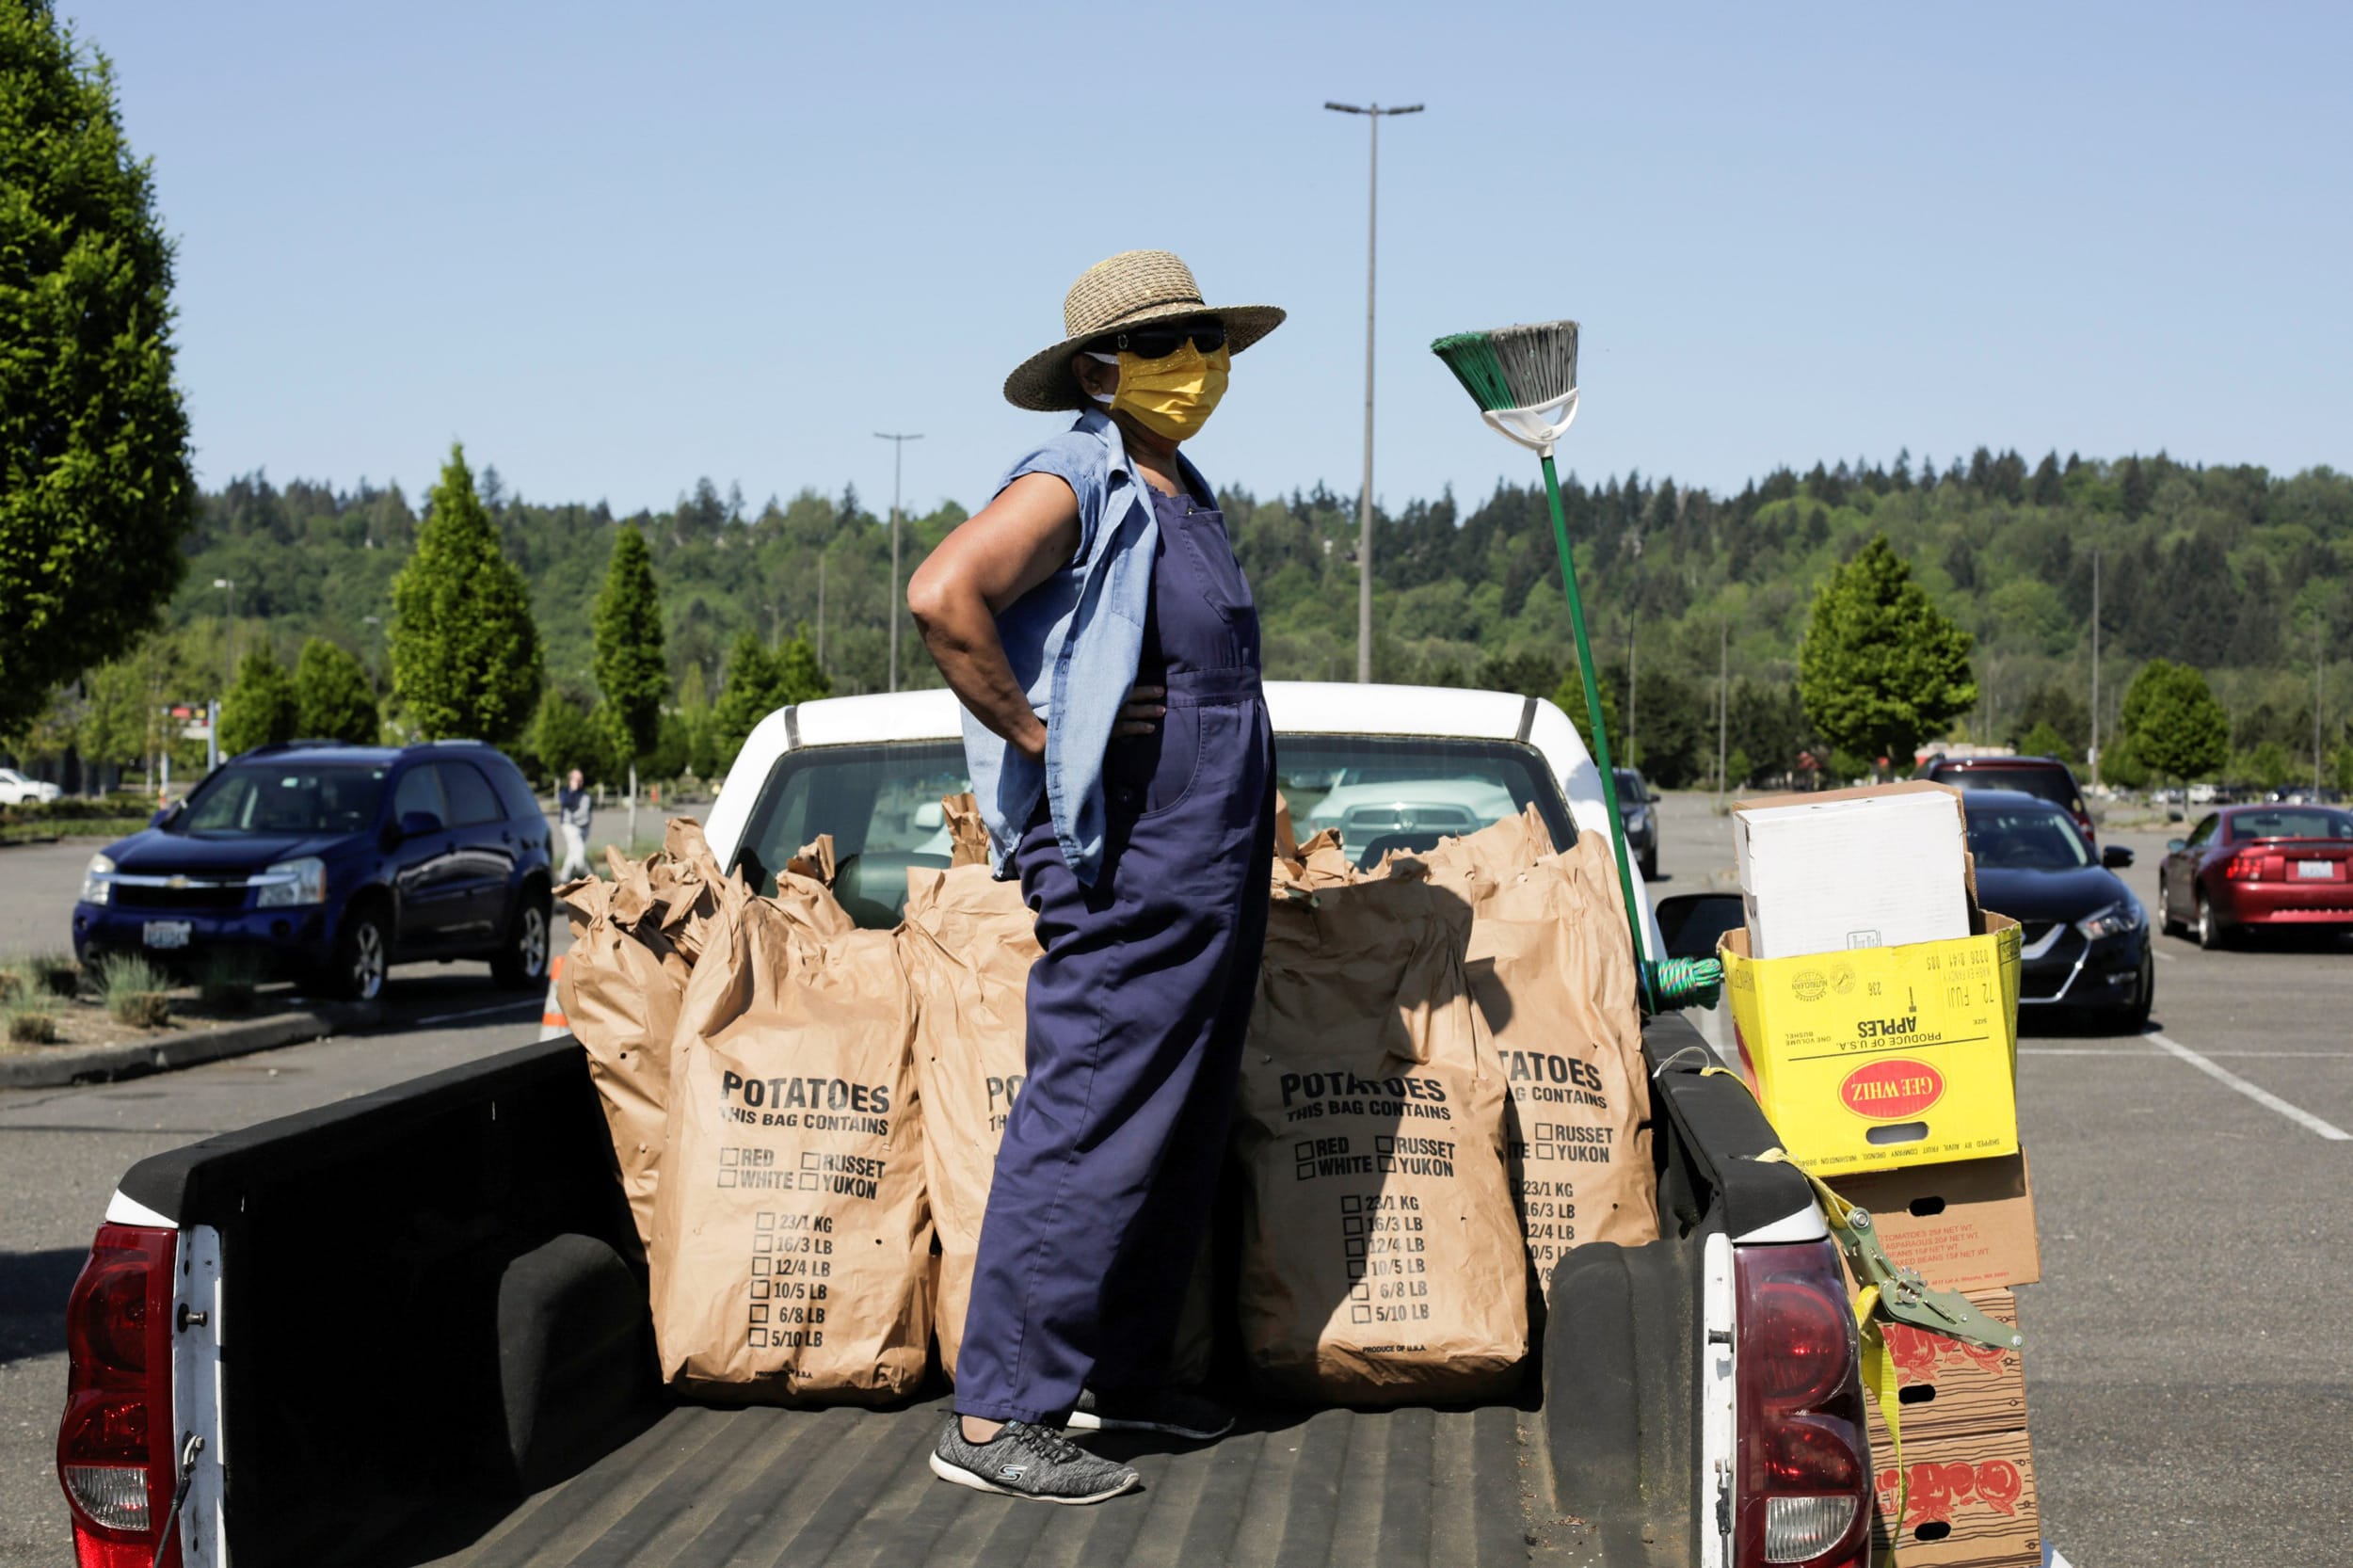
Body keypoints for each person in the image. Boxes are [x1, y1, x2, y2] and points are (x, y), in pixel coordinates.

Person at [907, 249, 1284, 1504]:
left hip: (1207, 853)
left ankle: (1120, 1374)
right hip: (1129, 851)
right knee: (1090, 1110)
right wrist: (1035, 735)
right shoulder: (1075, 474)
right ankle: (998, 1408)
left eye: (1206, 339)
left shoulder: (1178, 483)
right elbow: (944, 592)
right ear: (1098, 370)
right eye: (1167, 345)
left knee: (1172, 1108)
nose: (1195, 366)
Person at [556, 768, 592, 879]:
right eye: (577, 779)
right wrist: (573, 790)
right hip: (570, 827)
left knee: (573, 851)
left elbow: (588, 810)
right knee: (579, 857)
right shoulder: (565, 793)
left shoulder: (585, 794)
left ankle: (564, 877)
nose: (580, 782)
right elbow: (566, 803)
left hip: (584, 828)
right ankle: (590, 876)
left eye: (581, 779)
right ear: (571, 780)